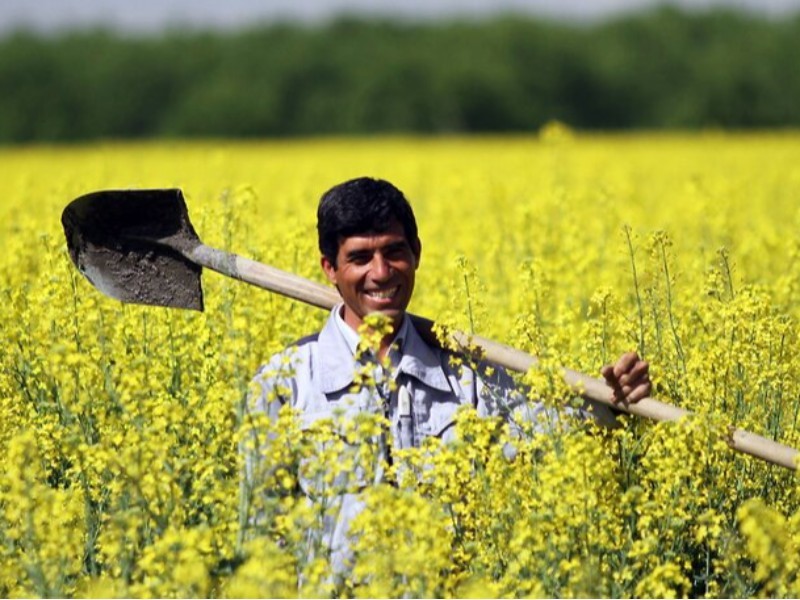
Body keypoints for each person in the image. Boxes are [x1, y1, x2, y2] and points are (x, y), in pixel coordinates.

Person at [245, 176, 651, 573]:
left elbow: (560, 428)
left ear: (417, 253)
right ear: (329, 268)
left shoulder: (468, 377)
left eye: (394, 251)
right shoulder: (288, 382)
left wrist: (616, 396)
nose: (382, 272)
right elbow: (262, 540)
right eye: (360, 258)